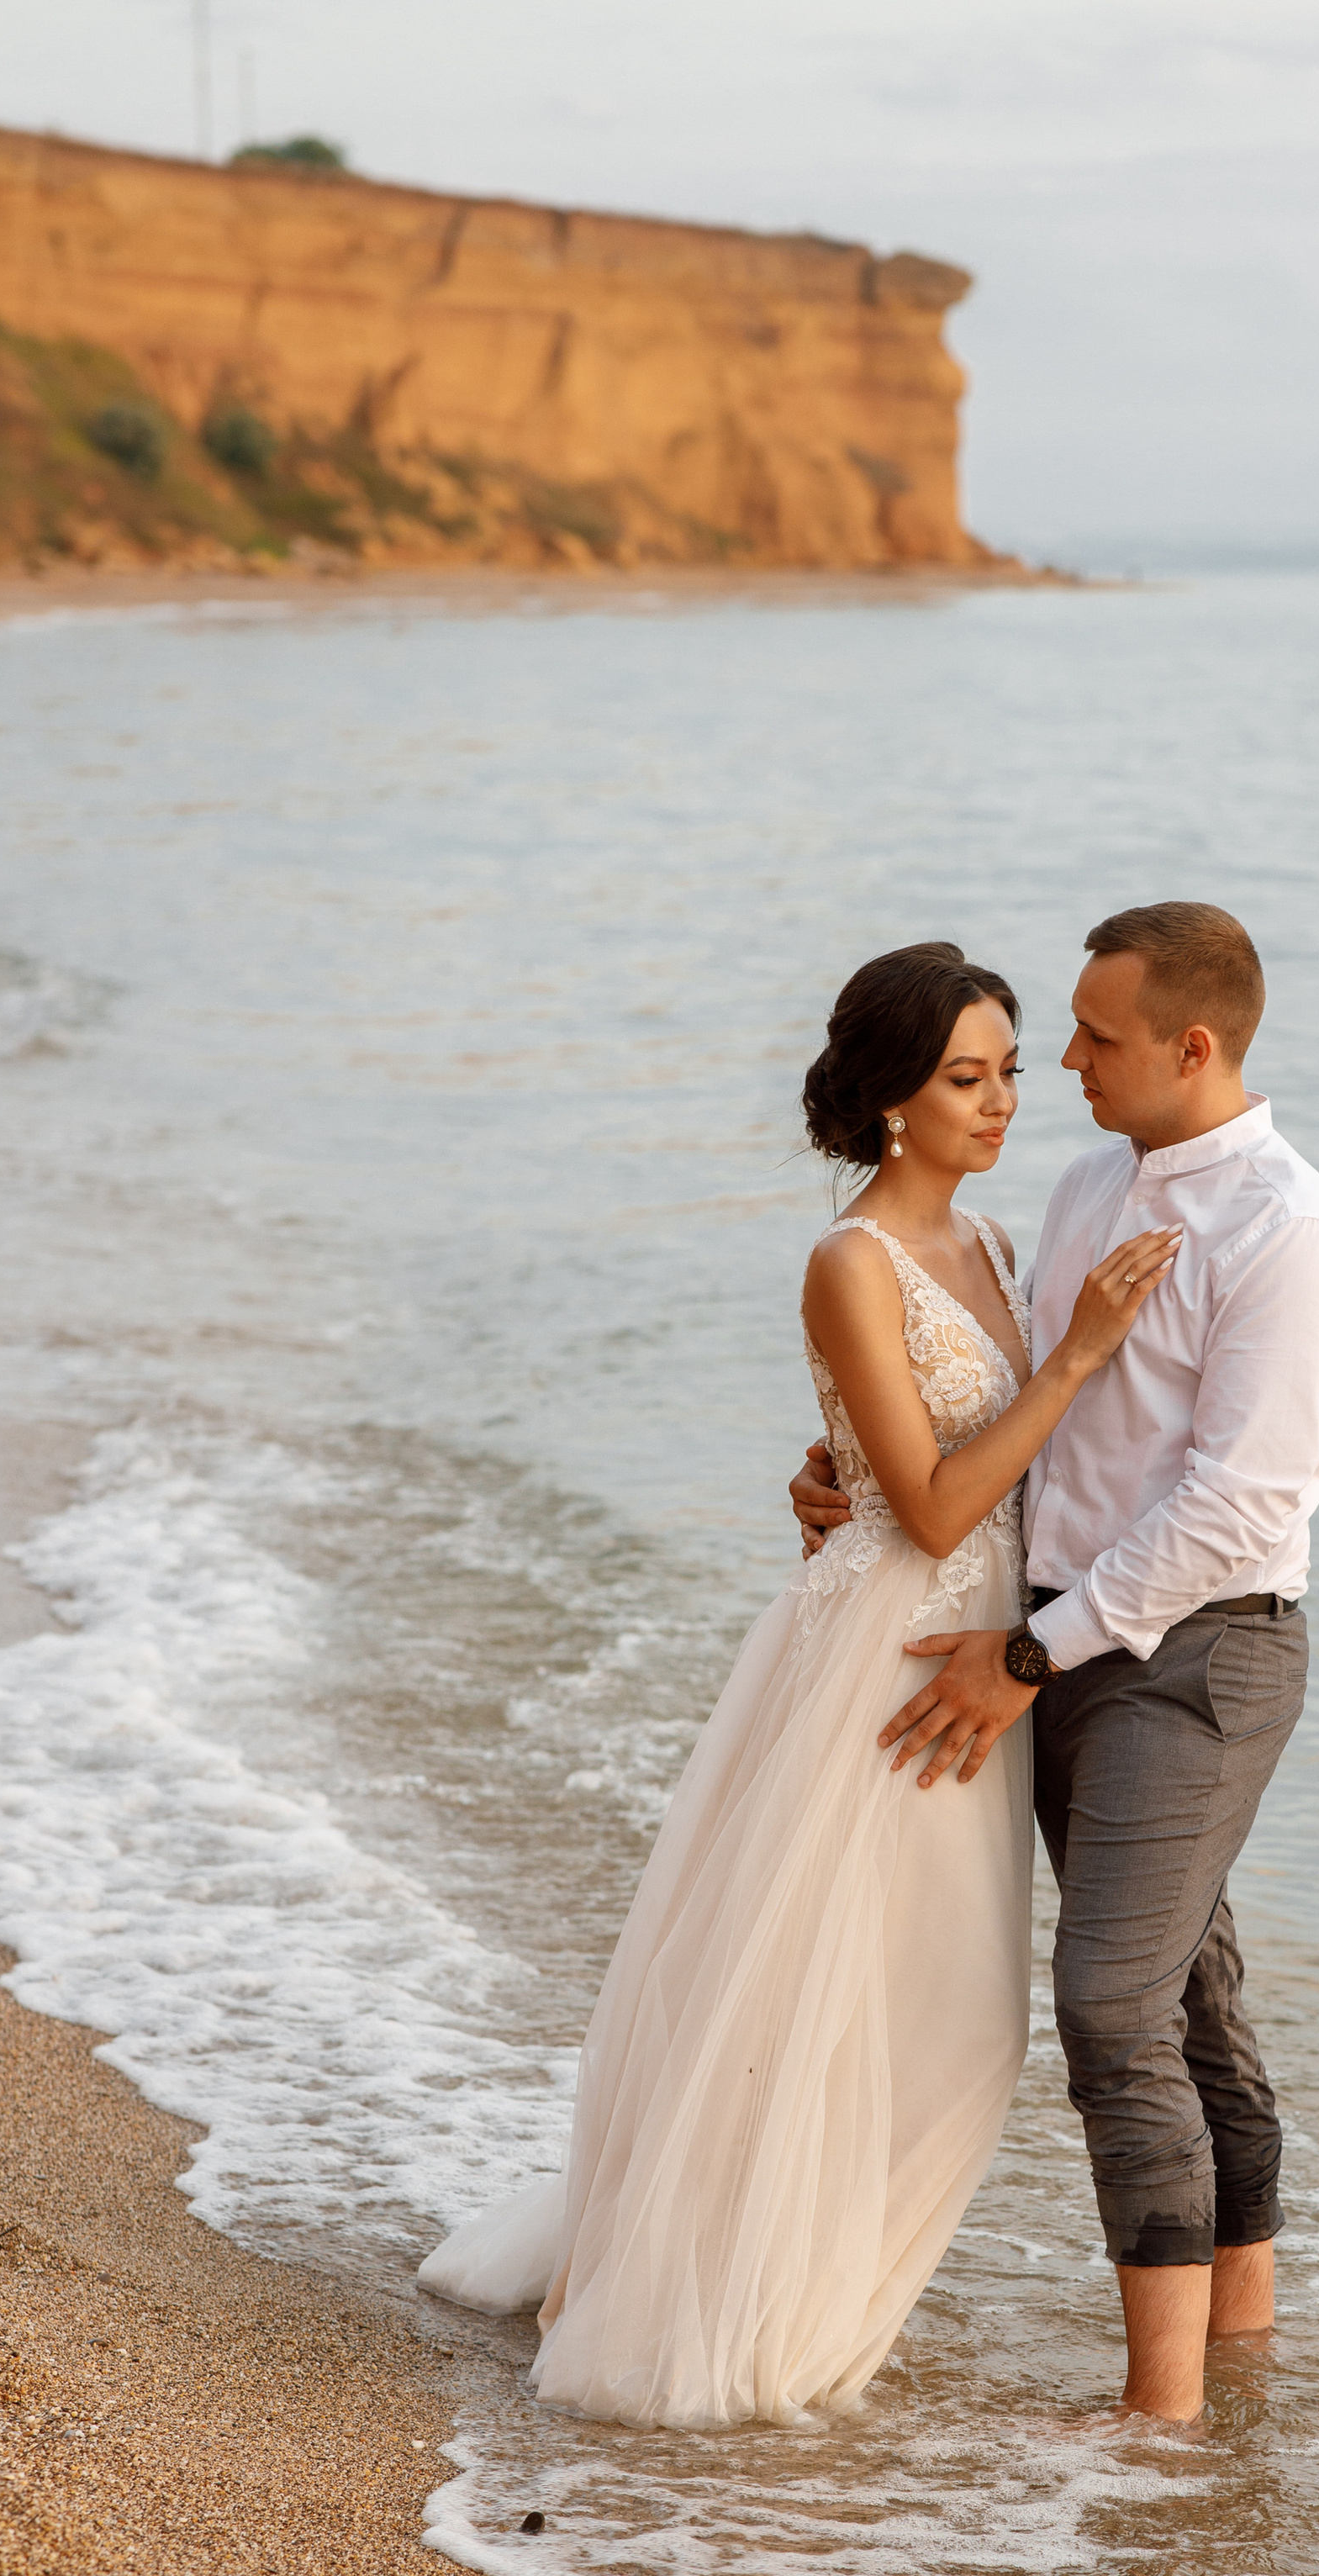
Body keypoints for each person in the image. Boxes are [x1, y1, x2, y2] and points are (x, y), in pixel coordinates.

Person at [416, 939, 1178, 2425]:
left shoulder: (998, 1251)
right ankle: (749, 2302)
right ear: (893, 1097)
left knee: (944, 2010)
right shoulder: (851, 1262)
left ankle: (818, 2278)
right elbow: (940, 1504)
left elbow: (962, 1477)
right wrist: (1080, 1360)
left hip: (973, 1650)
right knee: (821, 1988)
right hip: (888, 1652)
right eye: (968, 1076)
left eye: (1013, 1069)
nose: (1004, 1100)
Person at [793, 902, 1319, 2423]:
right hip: (1051, 1636)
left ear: (1194, 1046)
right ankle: (1238, 2340)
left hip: (1191, 1661)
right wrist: (849, 1474)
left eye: (1093, 1037)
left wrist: (1028, 1656)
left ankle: (1164, 2420)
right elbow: (1009, 1417)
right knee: (1186, 1996)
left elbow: (1238, 1506)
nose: (1060, 1063)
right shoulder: (1071, 1191)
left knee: (1113, 2010)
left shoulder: (1294, 1236)